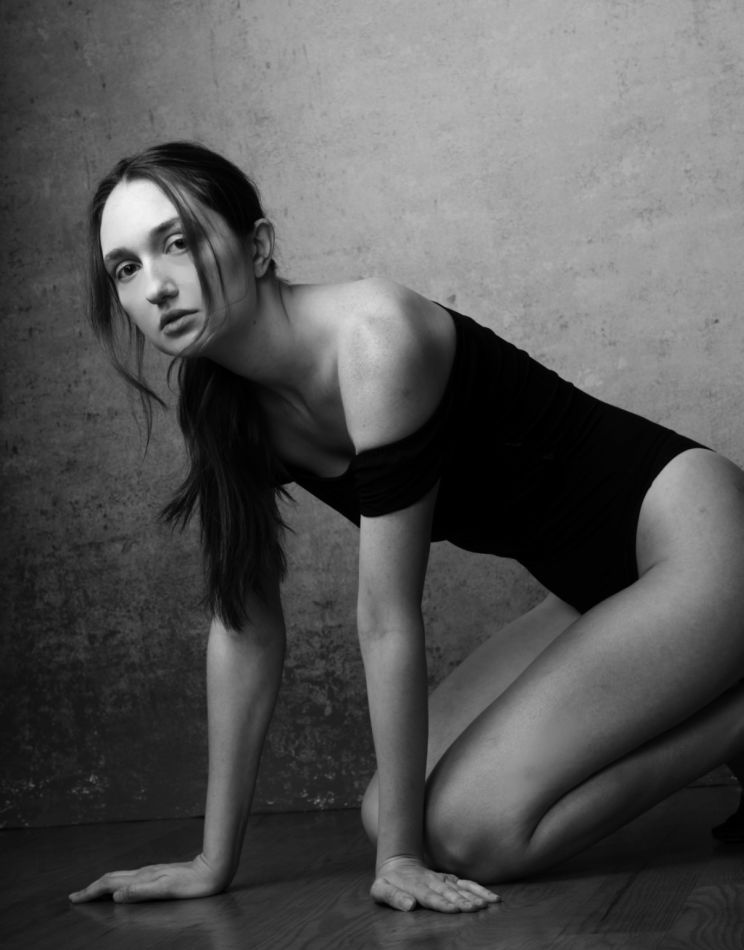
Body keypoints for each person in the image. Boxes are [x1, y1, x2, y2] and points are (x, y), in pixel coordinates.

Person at [69, 141, 744, 913]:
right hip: (590, 593)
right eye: (125, 268)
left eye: (178, 242)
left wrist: (400, 861)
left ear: (256, 247)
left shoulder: (373, 336)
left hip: (697, 541)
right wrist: (211, 860)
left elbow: (386, 616)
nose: (156, 286)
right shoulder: (223, 409)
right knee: (388, 811)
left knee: (468, 832)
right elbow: (244, 631)